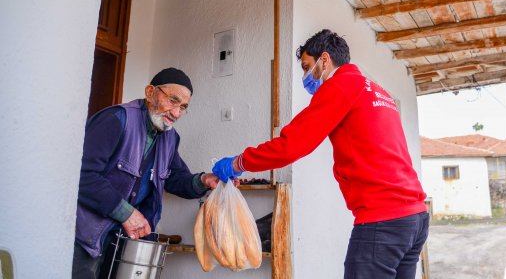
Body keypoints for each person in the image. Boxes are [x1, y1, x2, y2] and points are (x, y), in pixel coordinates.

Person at [212, 29, 428, 278]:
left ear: (324, 60)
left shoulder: (340, 85)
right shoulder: (376, 90)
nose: (305, 76)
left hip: (384, 219)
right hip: (415, 217)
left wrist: (239, 162)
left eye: (306, 67)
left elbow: (291, 146)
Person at [72, 68, 219, 278]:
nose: (176, 113)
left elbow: (176, 179)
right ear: (150, 92)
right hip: (88, 236)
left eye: (183, 107)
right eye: (172, 100)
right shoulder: (115, 119)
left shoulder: (170, 137)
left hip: (125, 240)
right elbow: (82, 176)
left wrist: (204, 180)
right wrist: (127, 213)